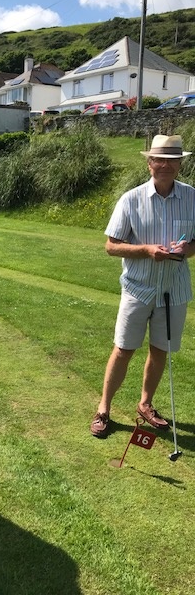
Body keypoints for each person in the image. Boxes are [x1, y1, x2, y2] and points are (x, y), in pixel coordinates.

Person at [90, 134, 195, 438]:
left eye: (172, 160)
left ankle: (145, 404)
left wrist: (186, 249)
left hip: (174, 291)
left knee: (160, 350)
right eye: (159, 159)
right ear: (149, 163)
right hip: (138, 288)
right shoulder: (131, 199)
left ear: (180, 165)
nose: (165, 165)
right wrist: (147, 250)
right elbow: (111, 246)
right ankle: (103, 409)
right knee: (123, 349)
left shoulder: (192, 197)